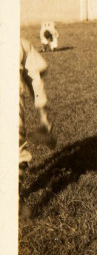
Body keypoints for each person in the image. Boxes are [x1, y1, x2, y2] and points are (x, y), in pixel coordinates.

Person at [19, 38, 55, 220]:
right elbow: (36, 74)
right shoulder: (19, 42)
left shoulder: (20, 43)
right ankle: (14, 201)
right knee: (17, 151)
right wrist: (44, 118)